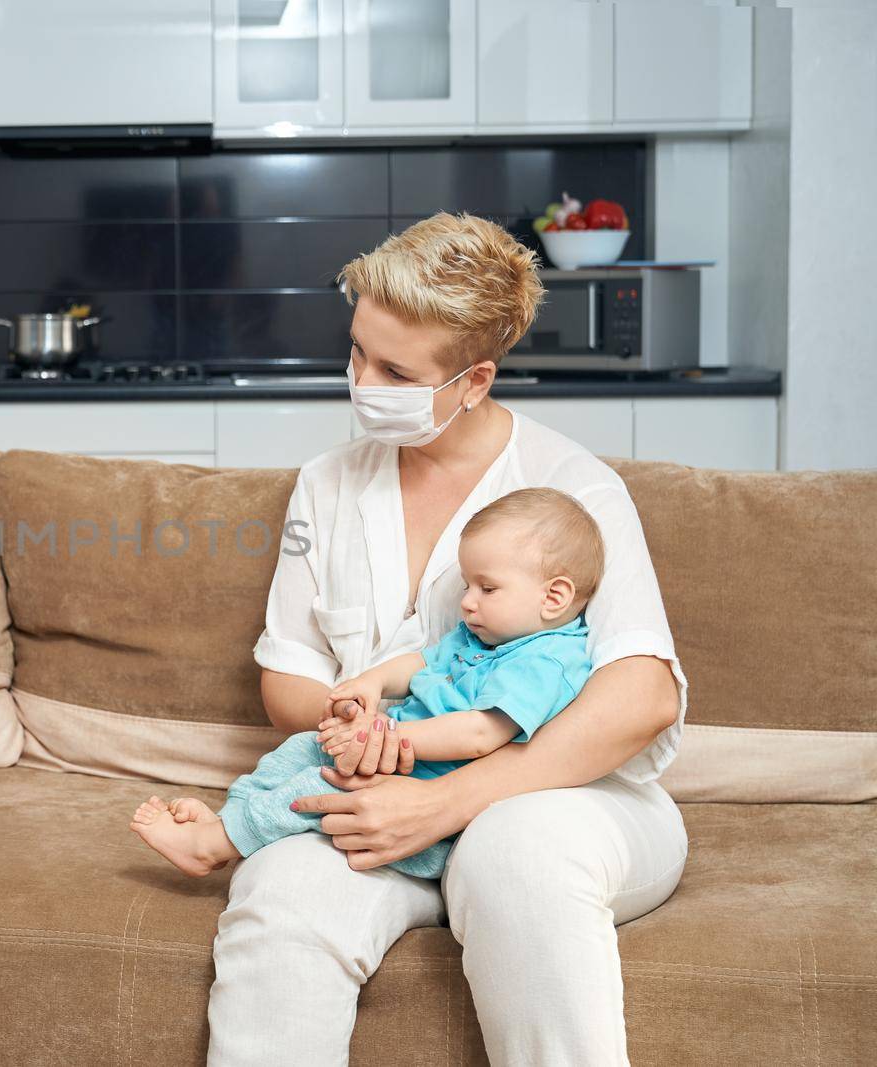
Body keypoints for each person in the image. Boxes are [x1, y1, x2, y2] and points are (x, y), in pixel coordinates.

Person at [207, 213, 689, 1066]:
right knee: (278, 890)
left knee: (514, 853)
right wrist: (366, 730)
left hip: (564, 799)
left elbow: (641, 694)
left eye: (395, 370)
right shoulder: (324, 487)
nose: (361, 381)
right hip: (381, 798)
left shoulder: (573, 486)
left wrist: (449, 799)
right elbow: (289, 684)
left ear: (474, 380)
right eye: (357, 351)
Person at [131, 487, 602, 880]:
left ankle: (210, 847)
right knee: (300, 749)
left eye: (487, 588)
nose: (468, 603)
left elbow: (481, 735)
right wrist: (372, 682)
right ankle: (226, 825)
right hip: (394, 757)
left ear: (554, 596)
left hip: (424, 803)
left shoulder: (546, 661)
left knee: (315, 785)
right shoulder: (485, 633)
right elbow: (421, 661)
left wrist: (388, 735)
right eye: (467, 587)